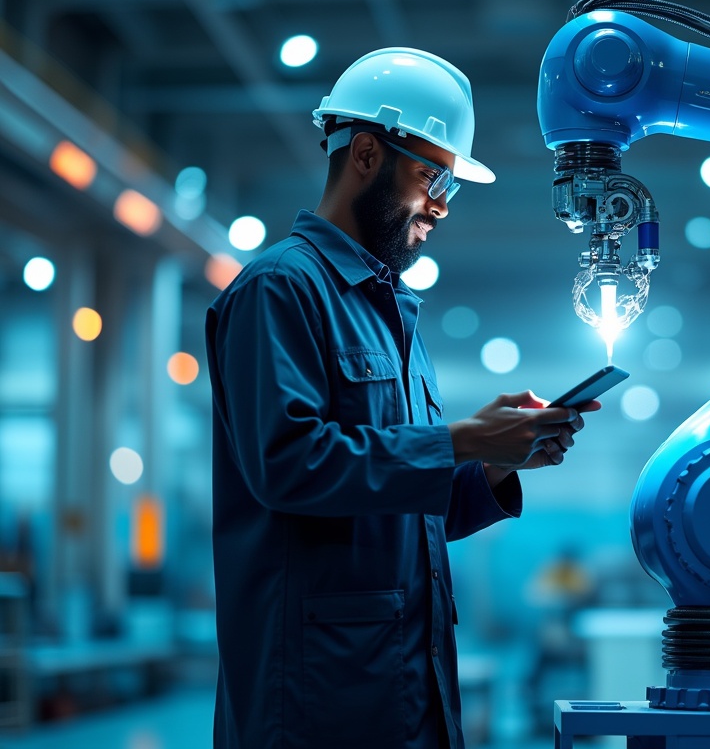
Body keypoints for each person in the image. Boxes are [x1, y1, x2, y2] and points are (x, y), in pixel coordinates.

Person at [204, 47, 599, 749]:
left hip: (404, 691)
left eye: (452, 183)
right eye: (431, 176)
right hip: (316, 701)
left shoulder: (392, 315)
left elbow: (406, 511)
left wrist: (500, 462)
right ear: (363, 154)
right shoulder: (280, 290)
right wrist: (463, 440)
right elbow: (290, 466)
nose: (442, 204)